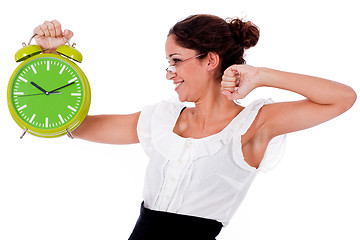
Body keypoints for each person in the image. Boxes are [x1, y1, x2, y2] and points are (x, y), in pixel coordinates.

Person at [33, 15, 356, 240]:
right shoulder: (161, 120)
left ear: (210, 60)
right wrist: (53, 60)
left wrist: (261, 75)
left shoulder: (254, 125)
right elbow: (71, 124)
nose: (169, 72)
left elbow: (343, 98)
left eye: (176, 60)